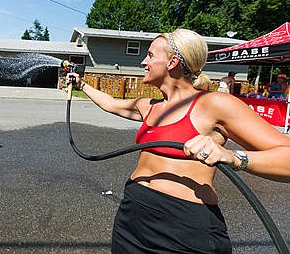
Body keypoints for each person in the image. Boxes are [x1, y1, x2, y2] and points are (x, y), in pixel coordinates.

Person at [66, 29, 290, 253]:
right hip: (132, 217)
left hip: (184, 228)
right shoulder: (150, 106)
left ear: (172, 62)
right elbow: (111, 104)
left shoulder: (214, 104)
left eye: (151, 55)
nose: (144, 62)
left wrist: (233, 157)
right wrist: (81, 85)